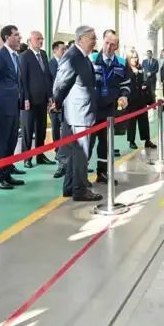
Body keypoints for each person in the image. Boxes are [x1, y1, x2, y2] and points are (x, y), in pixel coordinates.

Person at [52, 26, 102, 202]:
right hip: (78, 113)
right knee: (80, 153)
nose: (95, 41)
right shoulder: (73, 56)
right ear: (80, 39)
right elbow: (61, 83)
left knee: (75, 154)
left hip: (81, 111)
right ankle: (80, 190)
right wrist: (57, 102)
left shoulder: (83, 56)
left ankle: (70, 187)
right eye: (92, 38)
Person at [0, 25, 26, 189]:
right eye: (16, 35)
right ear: (6, 37)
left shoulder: (15, 56)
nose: (19, 38)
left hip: (14, 104)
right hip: (3, 105)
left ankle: (6, 173)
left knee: (11, 140)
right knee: (1, 141)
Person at [90, 30, 131, 184]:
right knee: (87, 142)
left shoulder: (121, 63)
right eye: (107, 43)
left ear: (117, 46)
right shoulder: (91, 59)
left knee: (106, 142)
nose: (108, 47)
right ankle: (81, 177)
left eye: (112, 44)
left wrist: (124, 96)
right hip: (91, 109)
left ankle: (102, 172)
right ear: (103, 41)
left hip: (109, 109)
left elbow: (126, 84)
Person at [19, 31, 55, 169]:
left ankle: (40, 155)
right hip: (30, 100)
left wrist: (50, 96)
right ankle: (26, 158)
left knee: (41, 129)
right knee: (27, 130)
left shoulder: (44, 55)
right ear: (30, 41)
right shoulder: (24, 56)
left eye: (42, 38)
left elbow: (47, 77)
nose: (41, 41)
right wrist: (26, 98)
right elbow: (23, 79)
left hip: (43, 98)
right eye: (38, 39)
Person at [125, 50, 157, 150]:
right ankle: (131, 141)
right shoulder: (125, 69)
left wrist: (144, 85)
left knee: (144, 121)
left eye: (136, 57)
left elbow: (145, 80)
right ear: (128, 58)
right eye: (133, 57)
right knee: (131, 122)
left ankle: (147, 140)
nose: (135, 59)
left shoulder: (140, 68)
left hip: (141, 98)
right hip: (131, 100)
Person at [48, 40, 67, 179]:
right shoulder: (51, 64)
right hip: (54, 101)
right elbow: (49, 82)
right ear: (55, 50)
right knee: (55, 127)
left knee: (65, 129)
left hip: (65, 102)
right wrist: (52, 100)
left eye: (66, 49)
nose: (64, 51)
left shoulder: (66, 63)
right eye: (62, 49)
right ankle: (57, 152)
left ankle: (65, 158)